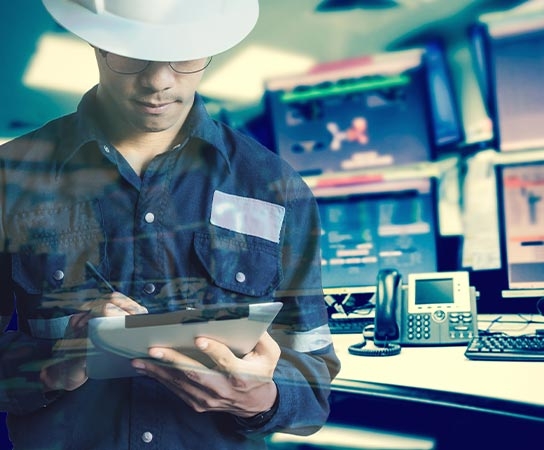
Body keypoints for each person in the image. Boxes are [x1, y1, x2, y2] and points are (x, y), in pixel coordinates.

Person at [0, 0, 340, 448]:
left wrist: (264, 397)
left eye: (186, 55)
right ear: (96, 41)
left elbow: (314, 382)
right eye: (131, 53)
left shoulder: (275, 186)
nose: (159, 80)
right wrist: (51, 369)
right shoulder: (12, 178)